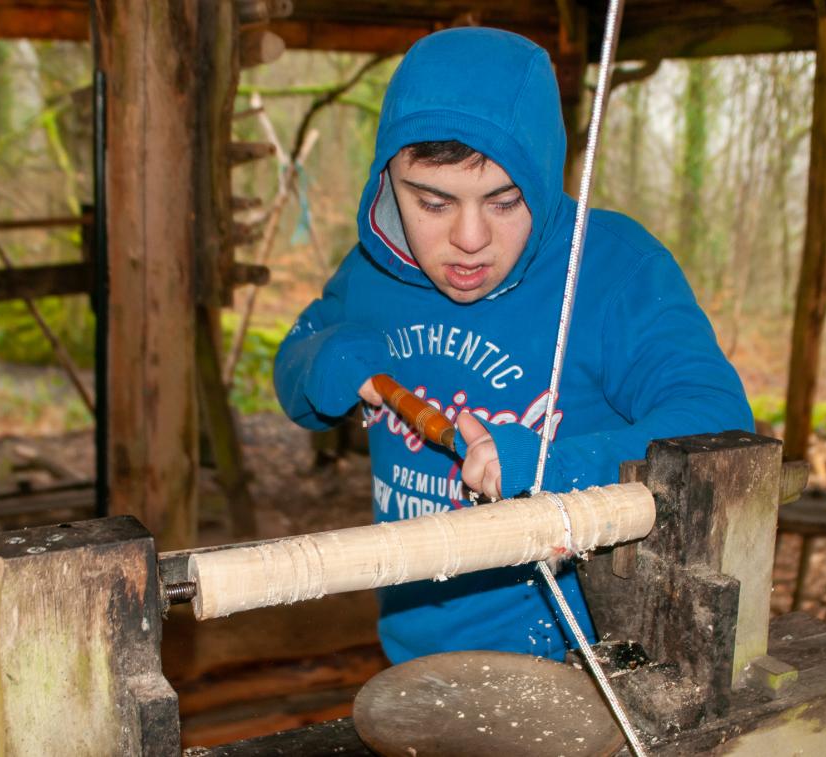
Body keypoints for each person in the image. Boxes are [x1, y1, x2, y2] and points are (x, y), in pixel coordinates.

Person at [273, 27, 753, 665]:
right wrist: (329, 360)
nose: (469, 238)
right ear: (388, 180)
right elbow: (296, 368)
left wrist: (559, 471)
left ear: (545, 176)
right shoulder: (373, 269)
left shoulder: (613, 269)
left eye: (504, 201)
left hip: (580, 661)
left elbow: (720, 426)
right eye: (433, 202)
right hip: (414, 653)